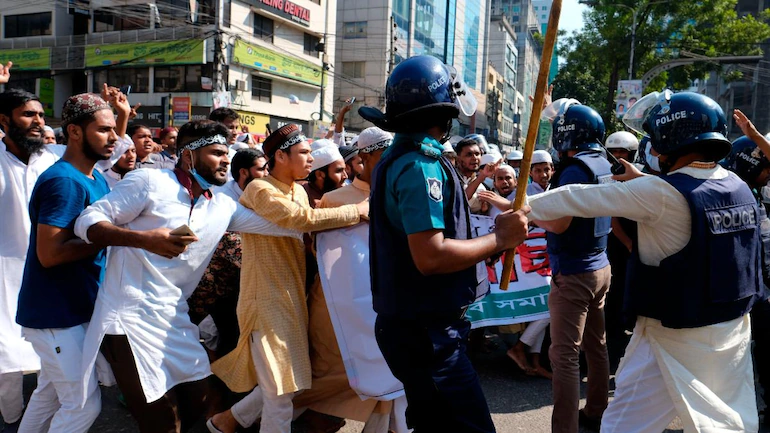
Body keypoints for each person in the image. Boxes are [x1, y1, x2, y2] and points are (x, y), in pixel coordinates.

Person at [527, 91, 764, 433]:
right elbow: (686, 195)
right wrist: (643, 181)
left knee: (623, 425)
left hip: (670, 335)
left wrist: (521, 208)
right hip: (729, 335)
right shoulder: (737, 186)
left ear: (670, 140)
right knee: (723, 422)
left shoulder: (661, 193)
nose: (653, 151)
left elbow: (579, 197)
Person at [73, 120, 299, 433]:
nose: (225, 160)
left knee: (206, 402)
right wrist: (144, 239)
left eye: (227, 153)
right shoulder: (149, 181)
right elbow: (87, 221)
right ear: (188, 155)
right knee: (163, 422)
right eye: (216, 153)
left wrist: (343, 213)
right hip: (128, 319)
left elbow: (286, 226)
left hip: (174, 319)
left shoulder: (222, 205)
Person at [358, 54, 530, 433]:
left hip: (420, 328)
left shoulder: (403, 157)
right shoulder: (419, 166)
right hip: (427, 334)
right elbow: (431, 256)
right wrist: (500, 238)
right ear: (445, 112)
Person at [211, 124, 368, 433]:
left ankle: (223, 423)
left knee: (289, 385)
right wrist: (358, 210)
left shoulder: (297, 190)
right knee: (280, 396)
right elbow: (301, 219)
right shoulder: (260, 189)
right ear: (281, 157)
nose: (311, 159)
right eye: (304, 152)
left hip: (293, 300)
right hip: (265, 302)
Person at [16, 90, 130, 433]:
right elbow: (50, 254)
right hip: (56, 314)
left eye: (114, 129)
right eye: (104, 130)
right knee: (82, 405)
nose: (114, 138)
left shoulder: (93, 177)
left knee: (49, 397)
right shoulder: (65, 181)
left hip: (74, 309)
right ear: (75, 132)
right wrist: (111, 238)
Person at [534, 101, 612, 433]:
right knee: (596, 345)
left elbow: (559, 223)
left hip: (575, 272)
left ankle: (565, 428)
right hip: (600, 265)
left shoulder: (575, 169)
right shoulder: (602, 162)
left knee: (564, 356)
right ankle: (596, 411)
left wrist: (527, 213)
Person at [0, 88, 56, 433]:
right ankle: (11, 421)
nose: (38, 122)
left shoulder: (53, 163)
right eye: (28, 114)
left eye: (41, 115)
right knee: (5, 360)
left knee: (52, 358)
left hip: (47, 273)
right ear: (4, 121)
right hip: (3, 276)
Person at [304, 139, 347, 208]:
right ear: (320, 175)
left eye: (345, 170)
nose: (345, 176)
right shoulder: (303, 198)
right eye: (339, 171)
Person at [455, 137, 493, 214]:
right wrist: (481, 177)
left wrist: (484, 210)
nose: (474, 158)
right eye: (469, 155)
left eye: (477, 154)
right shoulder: (449, 179)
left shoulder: (485, 187)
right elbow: (460, 201)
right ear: (458, 158)